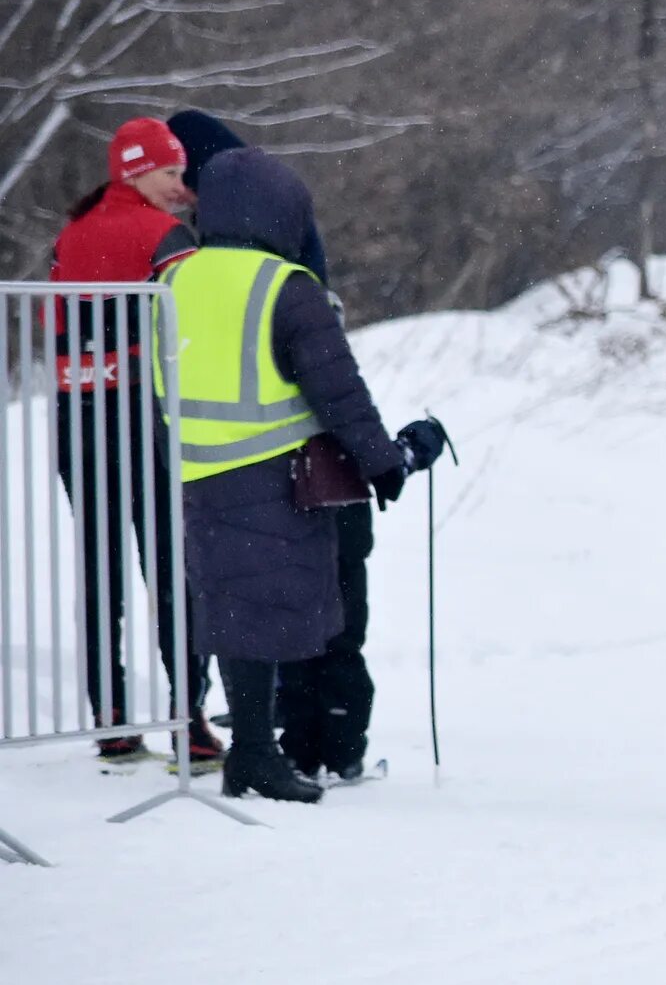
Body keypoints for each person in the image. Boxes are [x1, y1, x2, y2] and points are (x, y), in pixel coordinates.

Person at [156, 148, 442, 804]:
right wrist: (383, 463)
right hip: (275, 470)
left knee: (233, 609)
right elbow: (339, 391)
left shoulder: (177, 279)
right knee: (282, 610)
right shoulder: (285, 286)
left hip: (200, 467)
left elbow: (164, 378)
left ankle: (254, 751)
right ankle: (265, 752)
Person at [48, 119, 218, 770]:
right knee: (172, 570)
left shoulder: (74, 232)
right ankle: (191, 719)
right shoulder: (164, 236)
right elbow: (194, 327)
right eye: (171, 173)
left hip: (79, 418)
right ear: (136, 170)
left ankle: (111, 719)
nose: (180, 186)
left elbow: (57, 318)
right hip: (146, 419)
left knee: (100, 568)